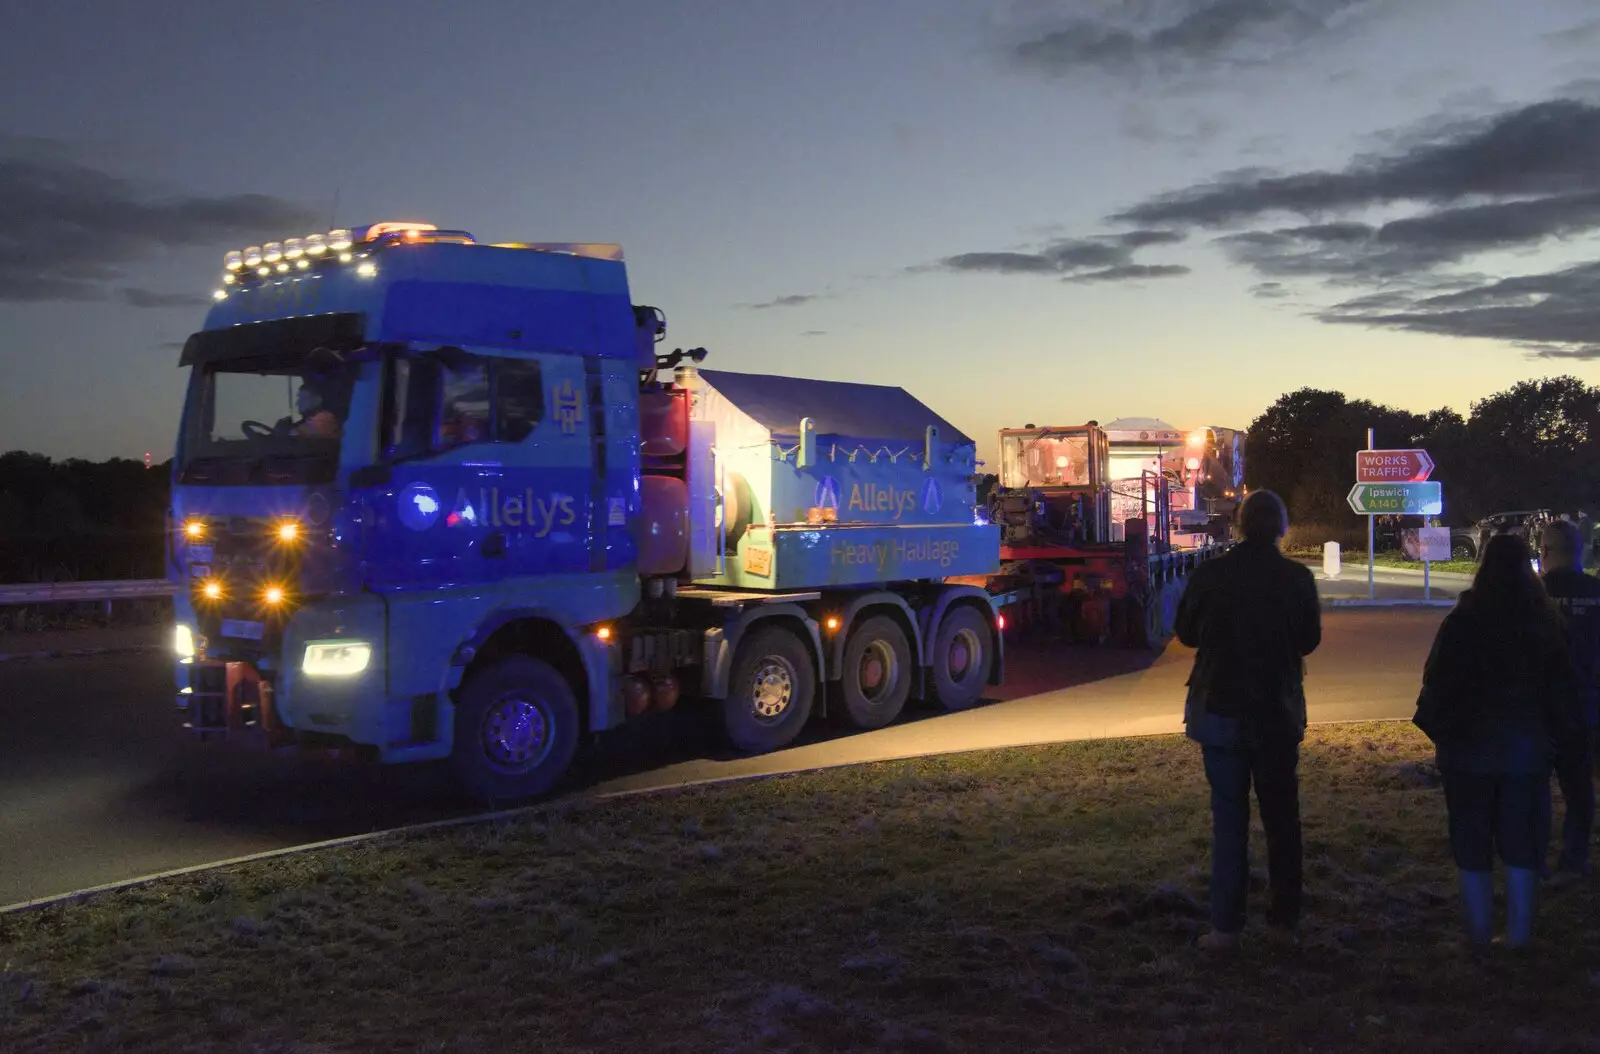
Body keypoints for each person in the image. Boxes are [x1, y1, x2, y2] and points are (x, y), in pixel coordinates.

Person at [1413, 534, 1581, 951]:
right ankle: (1519, 937)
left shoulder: (1463, 621)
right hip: (1525, 752)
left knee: (1471, 844)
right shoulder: (1544, 624)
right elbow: (1563, 692)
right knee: (1522, 845)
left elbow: (1436, 686)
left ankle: (1478, 936)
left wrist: (1446, 736)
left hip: (1468, 753)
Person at [1176, 489, 1322, 952]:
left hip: (1220, 707)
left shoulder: (1212, 574)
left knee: (1229, 818)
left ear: (1239, 525)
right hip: (1276, 711)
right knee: (1282, 818)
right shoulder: (1296, 578)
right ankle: (1284, 921)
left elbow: (1184, 631)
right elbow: (1308, 640)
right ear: (1281, 527)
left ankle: (1225, 926)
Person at [1537, 518, 1600, 884]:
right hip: (1584, 708)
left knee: (1536, 789)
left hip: (1541, 710)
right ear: (1580, 552)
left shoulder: (1534, 594)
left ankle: (1535, 859)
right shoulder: (1596, 591)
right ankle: (1575, 859)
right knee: (1579, 791)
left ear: (1545, 552)